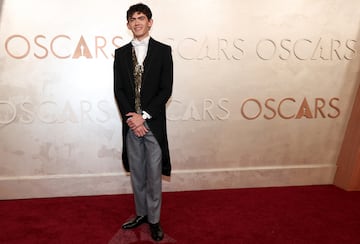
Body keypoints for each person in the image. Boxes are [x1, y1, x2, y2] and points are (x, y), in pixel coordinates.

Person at [113, 3, 173, 242]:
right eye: (132, 19)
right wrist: (132, 118)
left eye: (141, 18)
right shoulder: (120, 54)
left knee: (154, 173)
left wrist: (143, 116)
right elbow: (118, 90)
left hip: (152, 124)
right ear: (128, 24)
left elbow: (165, 89)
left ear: (150, 21)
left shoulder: (163, 51)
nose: (137, 22)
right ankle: (141, 214)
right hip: (131, 125)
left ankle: (155, 220)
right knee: (137, 173)